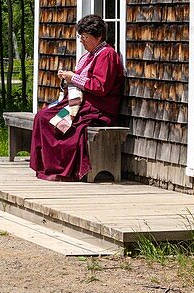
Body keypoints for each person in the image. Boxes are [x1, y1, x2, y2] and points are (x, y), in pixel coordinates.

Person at [30, 14, 125, 181]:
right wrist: (68, 79)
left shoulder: (107, 55)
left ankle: (60, 167)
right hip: (79, 103)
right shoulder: (89, 55)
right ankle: (47, 165)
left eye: (85, 37)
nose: (82, 40)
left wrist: (72, 77)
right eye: (81, 36)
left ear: (99, 36)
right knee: (43, 116)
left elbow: (100, 87)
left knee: (53, 121)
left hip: (98, 108)